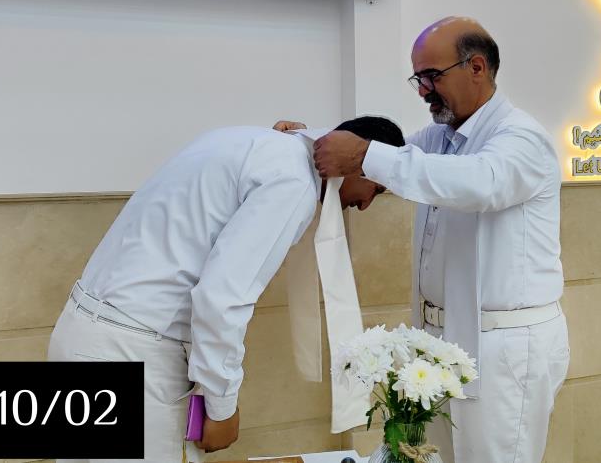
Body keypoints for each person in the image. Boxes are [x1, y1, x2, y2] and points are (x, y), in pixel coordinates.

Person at [276, 17, 569, 463]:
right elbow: (392, 156)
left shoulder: (521, 138)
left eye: (432, 76)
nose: (423, 91)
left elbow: (477, 183)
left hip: (504, 349)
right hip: (442, 341)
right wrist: (305, 140)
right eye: (418, 78)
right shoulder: (442, 139)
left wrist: (364, 155)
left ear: (476, 67)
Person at [47, 117, 405, 463]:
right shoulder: (294, 180)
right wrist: (222, 407)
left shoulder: (247, 141)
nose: (365, 204)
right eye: (376, 189)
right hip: (135, 354)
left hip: (78, 335)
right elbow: (222, 299)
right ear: (359, 166)